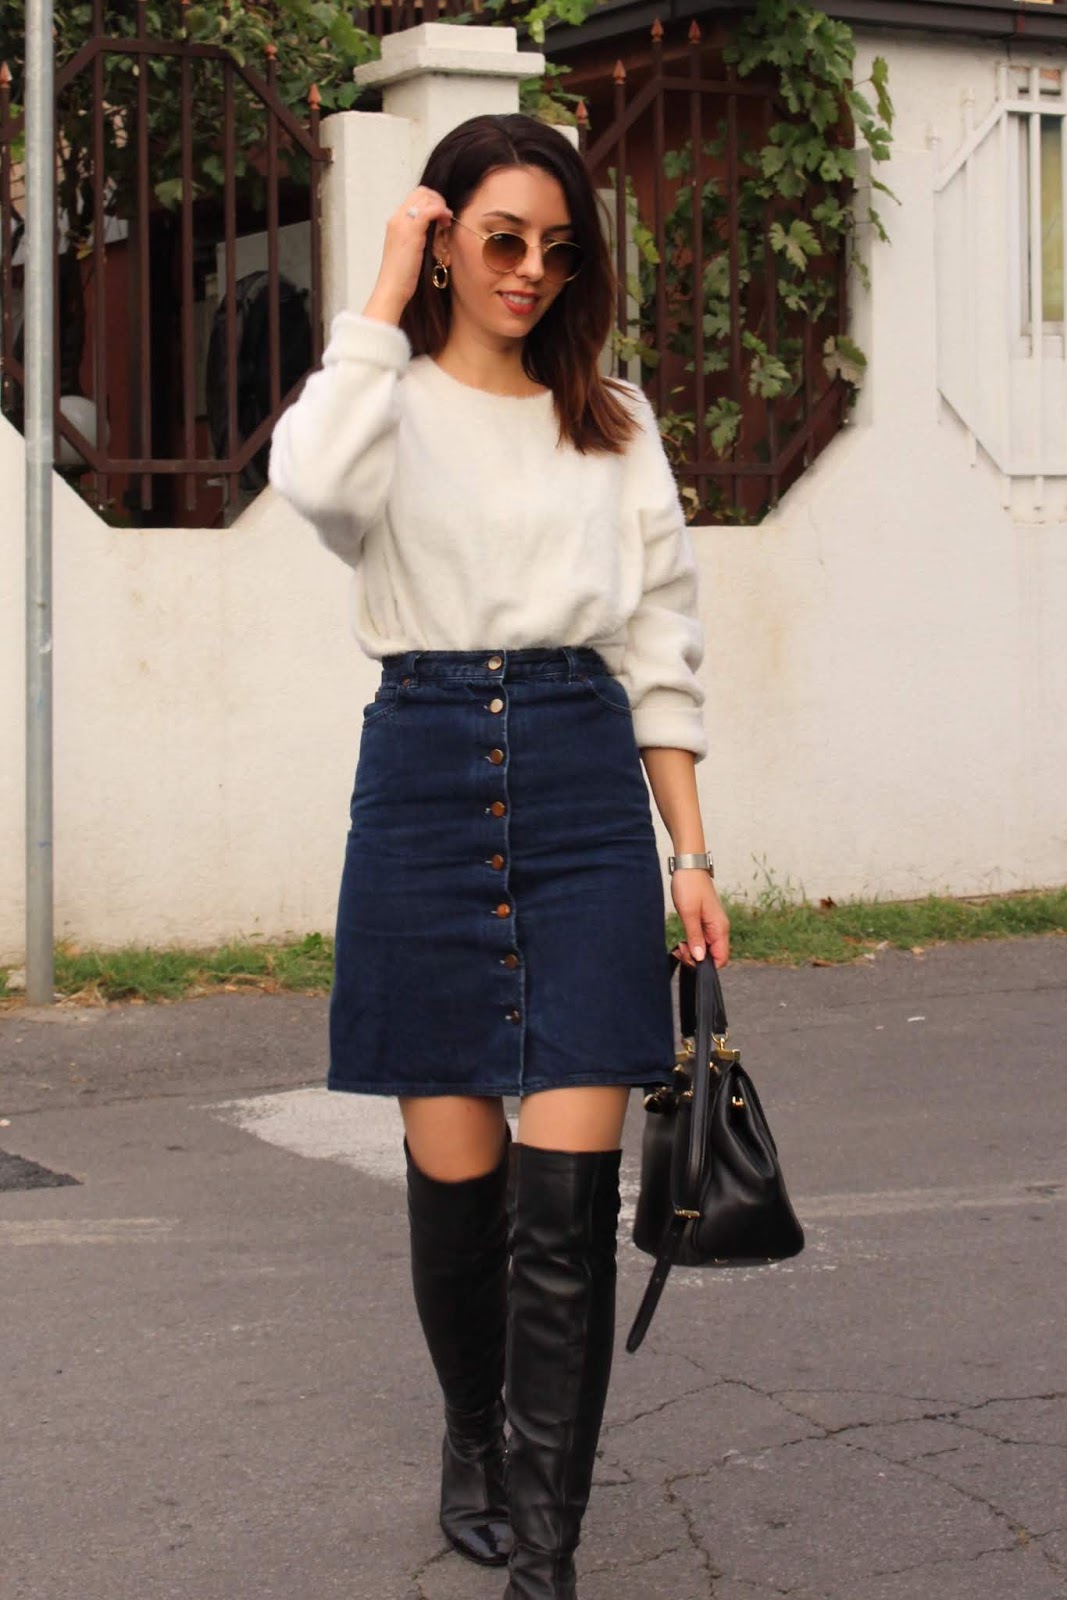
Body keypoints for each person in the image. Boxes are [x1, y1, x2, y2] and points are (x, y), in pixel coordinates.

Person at [269, 112, 730, 1600]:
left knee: (567, 1204)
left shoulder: (615, 421)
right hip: (421, 781)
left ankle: (546, 1550)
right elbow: (310, 484)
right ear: (447, 242)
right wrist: (381, 284)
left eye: (556, 247)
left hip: (584, 792)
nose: (529, 269)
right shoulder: (383, 405)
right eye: (500, 238)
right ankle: (476, 1435)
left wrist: (691, 854)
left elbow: (658, 640)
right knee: (458, 1183)